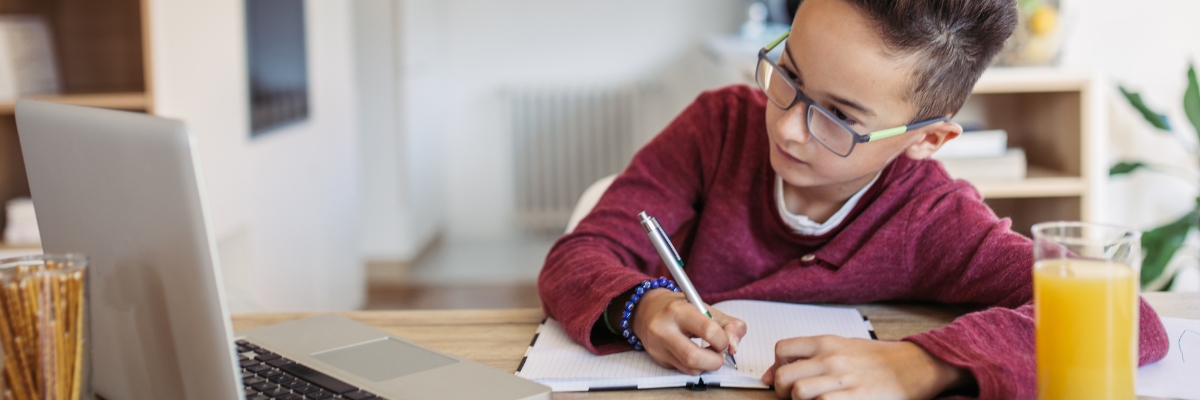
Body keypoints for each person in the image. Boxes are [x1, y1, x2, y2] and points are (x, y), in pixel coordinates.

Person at [536, 0, 1169, 398]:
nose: (787, 127)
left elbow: (1121, 316)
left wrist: (920, 366)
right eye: (789, 74)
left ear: (927, 139)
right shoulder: (718, 129)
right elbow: (580, 255)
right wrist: (641, 308)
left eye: (838, 116)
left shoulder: (932, 218)